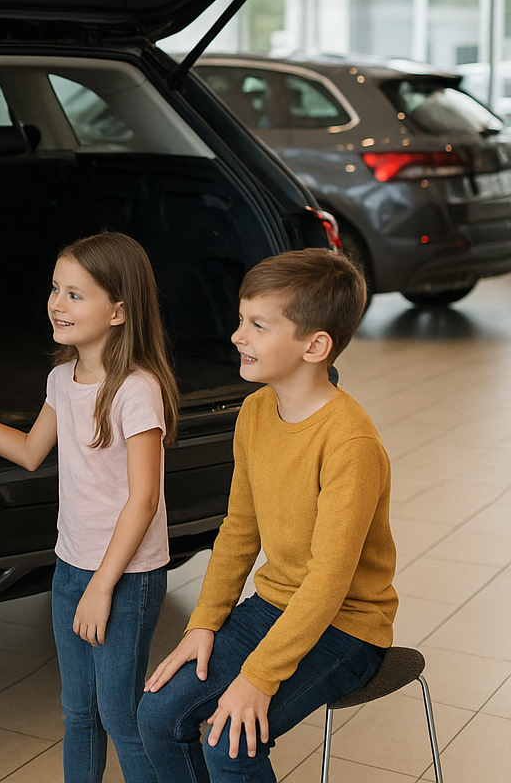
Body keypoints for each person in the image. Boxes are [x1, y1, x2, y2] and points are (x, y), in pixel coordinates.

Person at [0, 231, 177, 783]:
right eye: (55, 289)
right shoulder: (62, 378)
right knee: (79, 712)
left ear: (118, 310)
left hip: (125, 577)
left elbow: (144, 499)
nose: (57, 304)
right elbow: (29, 450)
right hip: (71, 567)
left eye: (76, 294)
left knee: (121, 715)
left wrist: (103, 586)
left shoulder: (137, 389)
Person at [139, 248, 395, 783]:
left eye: (257, 325)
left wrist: (258, 676)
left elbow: (328, 582)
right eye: (241, 320)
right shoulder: (256, 410)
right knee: (159, 714)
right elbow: (239, 529)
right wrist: (204, 621)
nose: (237, 336)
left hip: (347, 627)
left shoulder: (350, 442)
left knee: (229, 742)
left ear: (315, 346)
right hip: (275, 605)